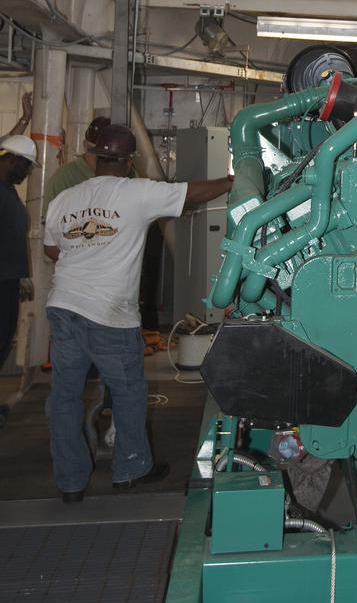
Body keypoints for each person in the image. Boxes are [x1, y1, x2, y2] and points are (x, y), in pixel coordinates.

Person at [43, 123, 232, 503]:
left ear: (95, 157)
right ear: (129, 162)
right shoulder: (137, 192)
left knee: (64, 397)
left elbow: (52, 250)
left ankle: (71, 483)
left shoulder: (65, 198)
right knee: (128, 392)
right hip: (109, 314)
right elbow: (195, 192)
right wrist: (232, 179)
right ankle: (130, 470)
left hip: (63, 307)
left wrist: (90, 253)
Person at [0, 134, 38, 373]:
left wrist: (21, 274)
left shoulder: (8, 190)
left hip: (8, 280)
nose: (27, 173)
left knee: (3, 340)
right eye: (26, 166)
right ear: (13, 160)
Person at [42, 114, 111, 215]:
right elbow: (50, 221)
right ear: (84, 145)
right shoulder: (64, 178)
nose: (99, 157)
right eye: (94, 151)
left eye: (104, 154)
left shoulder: (127, 174)